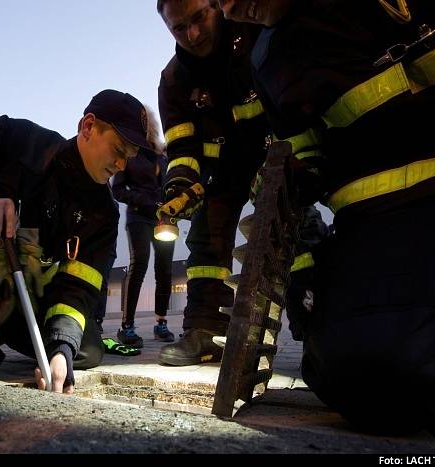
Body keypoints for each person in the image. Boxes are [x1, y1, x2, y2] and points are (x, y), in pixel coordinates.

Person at [219, 0, 435, 434]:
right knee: (355, 372)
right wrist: (297, 179)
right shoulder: (268, 59)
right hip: (369, 221)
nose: (229, 8)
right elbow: (306, 151)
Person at [0, 89, 156, 394]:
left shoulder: (103, 214)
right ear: (88, 127)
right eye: (118, 149)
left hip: (28, 289)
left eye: (129, 157)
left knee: (84, 350)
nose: (121, 165)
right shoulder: (19, 140)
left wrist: (61, 349)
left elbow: (78, 288)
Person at [155, 0, 270, 366]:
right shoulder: (173, 80)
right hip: (219, 169)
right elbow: (182, 147)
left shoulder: (254, 33)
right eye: (179, 28)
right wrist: (180, 187)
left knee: (289, 225)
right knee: (205, 237)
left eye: (198, 18)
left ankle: (310, 317)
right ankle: (204, 332)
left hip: (274, 149)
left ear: (216, 6)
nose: (192, 34)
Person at [111, 146, 175, 348]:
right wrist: (141, 199)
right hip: (139, 216)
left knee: (165, 270)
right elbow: (117, 190)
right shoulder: (129, 154)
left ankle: (161, 323)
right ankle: (126, 326)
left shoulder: (163, 159)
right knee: (139, 264)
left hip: (164, 219)